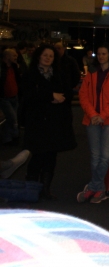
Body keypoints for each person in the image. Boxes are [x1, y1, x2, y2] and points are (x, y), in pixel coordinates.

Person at [21, 43, 77, 200]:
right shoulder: (30, 75)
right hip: (37, 122)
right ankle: (31, 189)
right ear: (39, 56)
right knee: (37, 155)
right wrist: (50, 96)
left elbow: (68, 93)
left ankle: (45, 189)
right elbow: (28, 96)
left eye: (51, 56)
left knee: (51, 157)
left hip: (55, 122)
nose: (47, 58)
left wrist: (61, 98)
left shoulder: (59, 74)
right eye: (45, 55)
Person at [77, 43, 109, 204]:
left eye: (104, 53)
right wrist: (93, 114)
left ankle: (93, 187)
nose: (101, 56)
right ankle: (99, 189)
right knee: (95, 156)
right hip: (92, 119)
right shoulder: (92, 72)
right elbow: (83, 95)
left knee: (105, 157)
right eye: (99, 54)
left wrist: (103, 116)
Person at [0, 48, 21, 146]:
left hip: (14, 96)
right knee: (12, 118)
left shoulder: (14, 67)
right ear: (7, 56)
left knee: (10, 118)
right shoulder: (2, 68)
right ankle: (14, 135)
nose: (16, 57)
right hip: (4, 97)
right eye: (14, 55)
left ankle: (8, 138)